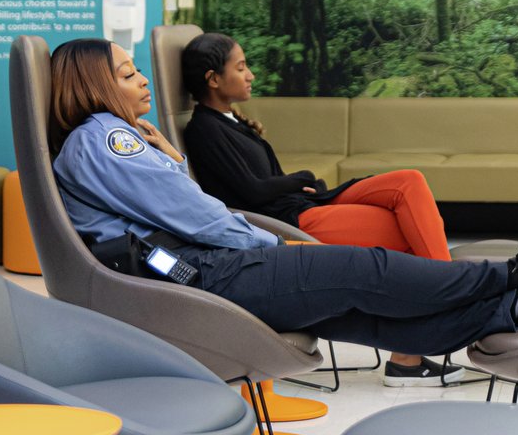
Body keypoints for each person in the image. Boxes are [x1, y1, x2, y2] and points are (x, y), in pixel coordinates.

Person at [46, 37, 518, 362]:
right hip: (206, 273)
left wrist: (170, 156)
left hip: (190, 269)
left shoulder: (101, 143)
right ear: (91, 85)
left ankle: (508, 312)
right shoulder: (102, 136)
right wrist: (269, 241)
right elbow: (188, 211)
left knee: (360, 315)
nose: (141, 80)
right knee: (366, 270)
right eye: (126, 73)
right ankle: (514, 276)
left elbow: (167, 202)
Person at [180, 32, 450, 262]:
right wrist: (302, 178)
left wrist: (302, 184)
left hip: (305, 202)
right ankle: (452, 283)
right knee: (408, 226)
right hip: (289, 219)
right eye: (240, 68)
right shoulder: (205, 129)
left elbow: (270, 181)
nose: (250, 75)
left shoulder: (230, 122)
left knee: (409, 182)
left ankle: (449, 278)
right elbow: (252, 191)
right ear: (213, 79)